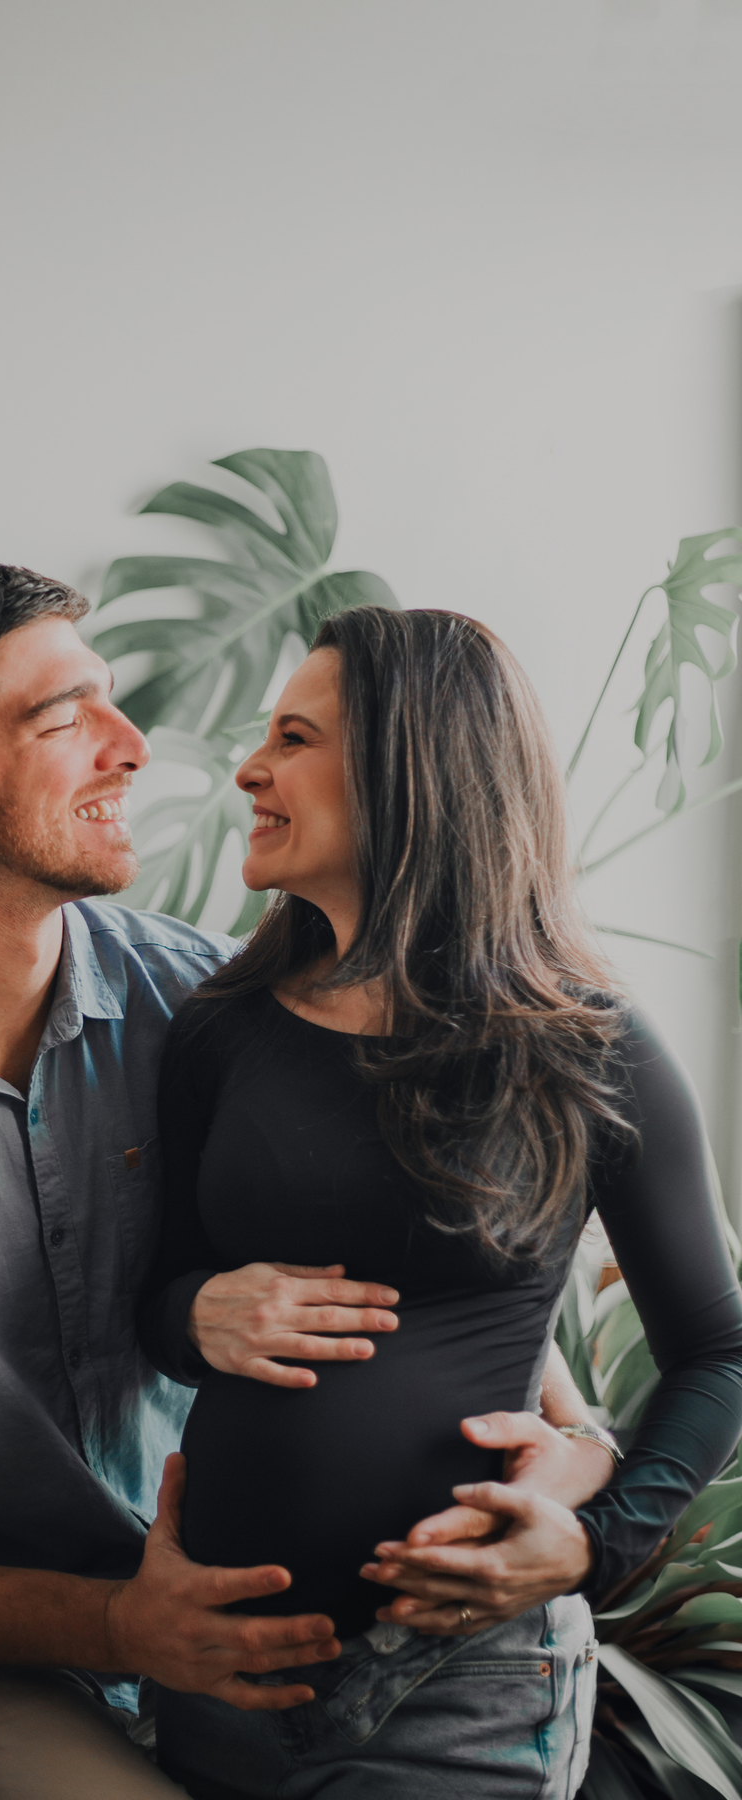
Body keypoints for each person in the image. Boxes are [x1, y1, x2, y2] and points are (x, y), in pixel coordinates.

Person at [0, 561, 617, 1800]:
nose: (133, 745)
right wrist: (116, 1626)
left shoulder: (218, 1008)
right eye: (65, 719)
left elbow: (430, 1265)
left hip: (201, 1622)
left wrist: (572, 1442)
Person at [139, 605, 742, 1800]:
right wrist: (193, 1311)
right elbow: (155, 1303)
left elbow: (720, 1352)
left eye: (293, 739)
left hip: (455, 1693)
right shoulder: (220, 1030)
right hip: (218, 1671)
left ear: (408, 770)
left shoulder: (588, 1047)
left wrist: (592, 1544)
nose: (249, 770)